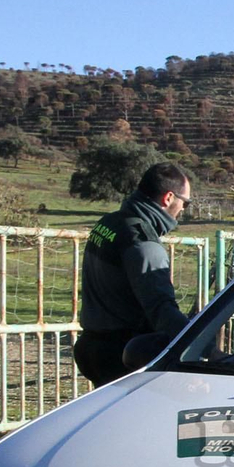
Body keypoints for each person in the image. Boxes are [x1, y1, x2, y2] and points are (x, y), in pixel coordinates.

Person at [73, 162, 193, 386]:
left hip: (91, 345)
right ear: (168, 198)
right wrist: (201, 345)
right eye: (185, 202)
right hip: (126, 354)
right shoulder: (142, 241)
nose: (183, 209)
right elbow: (161, 308)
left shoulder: (109, 223)